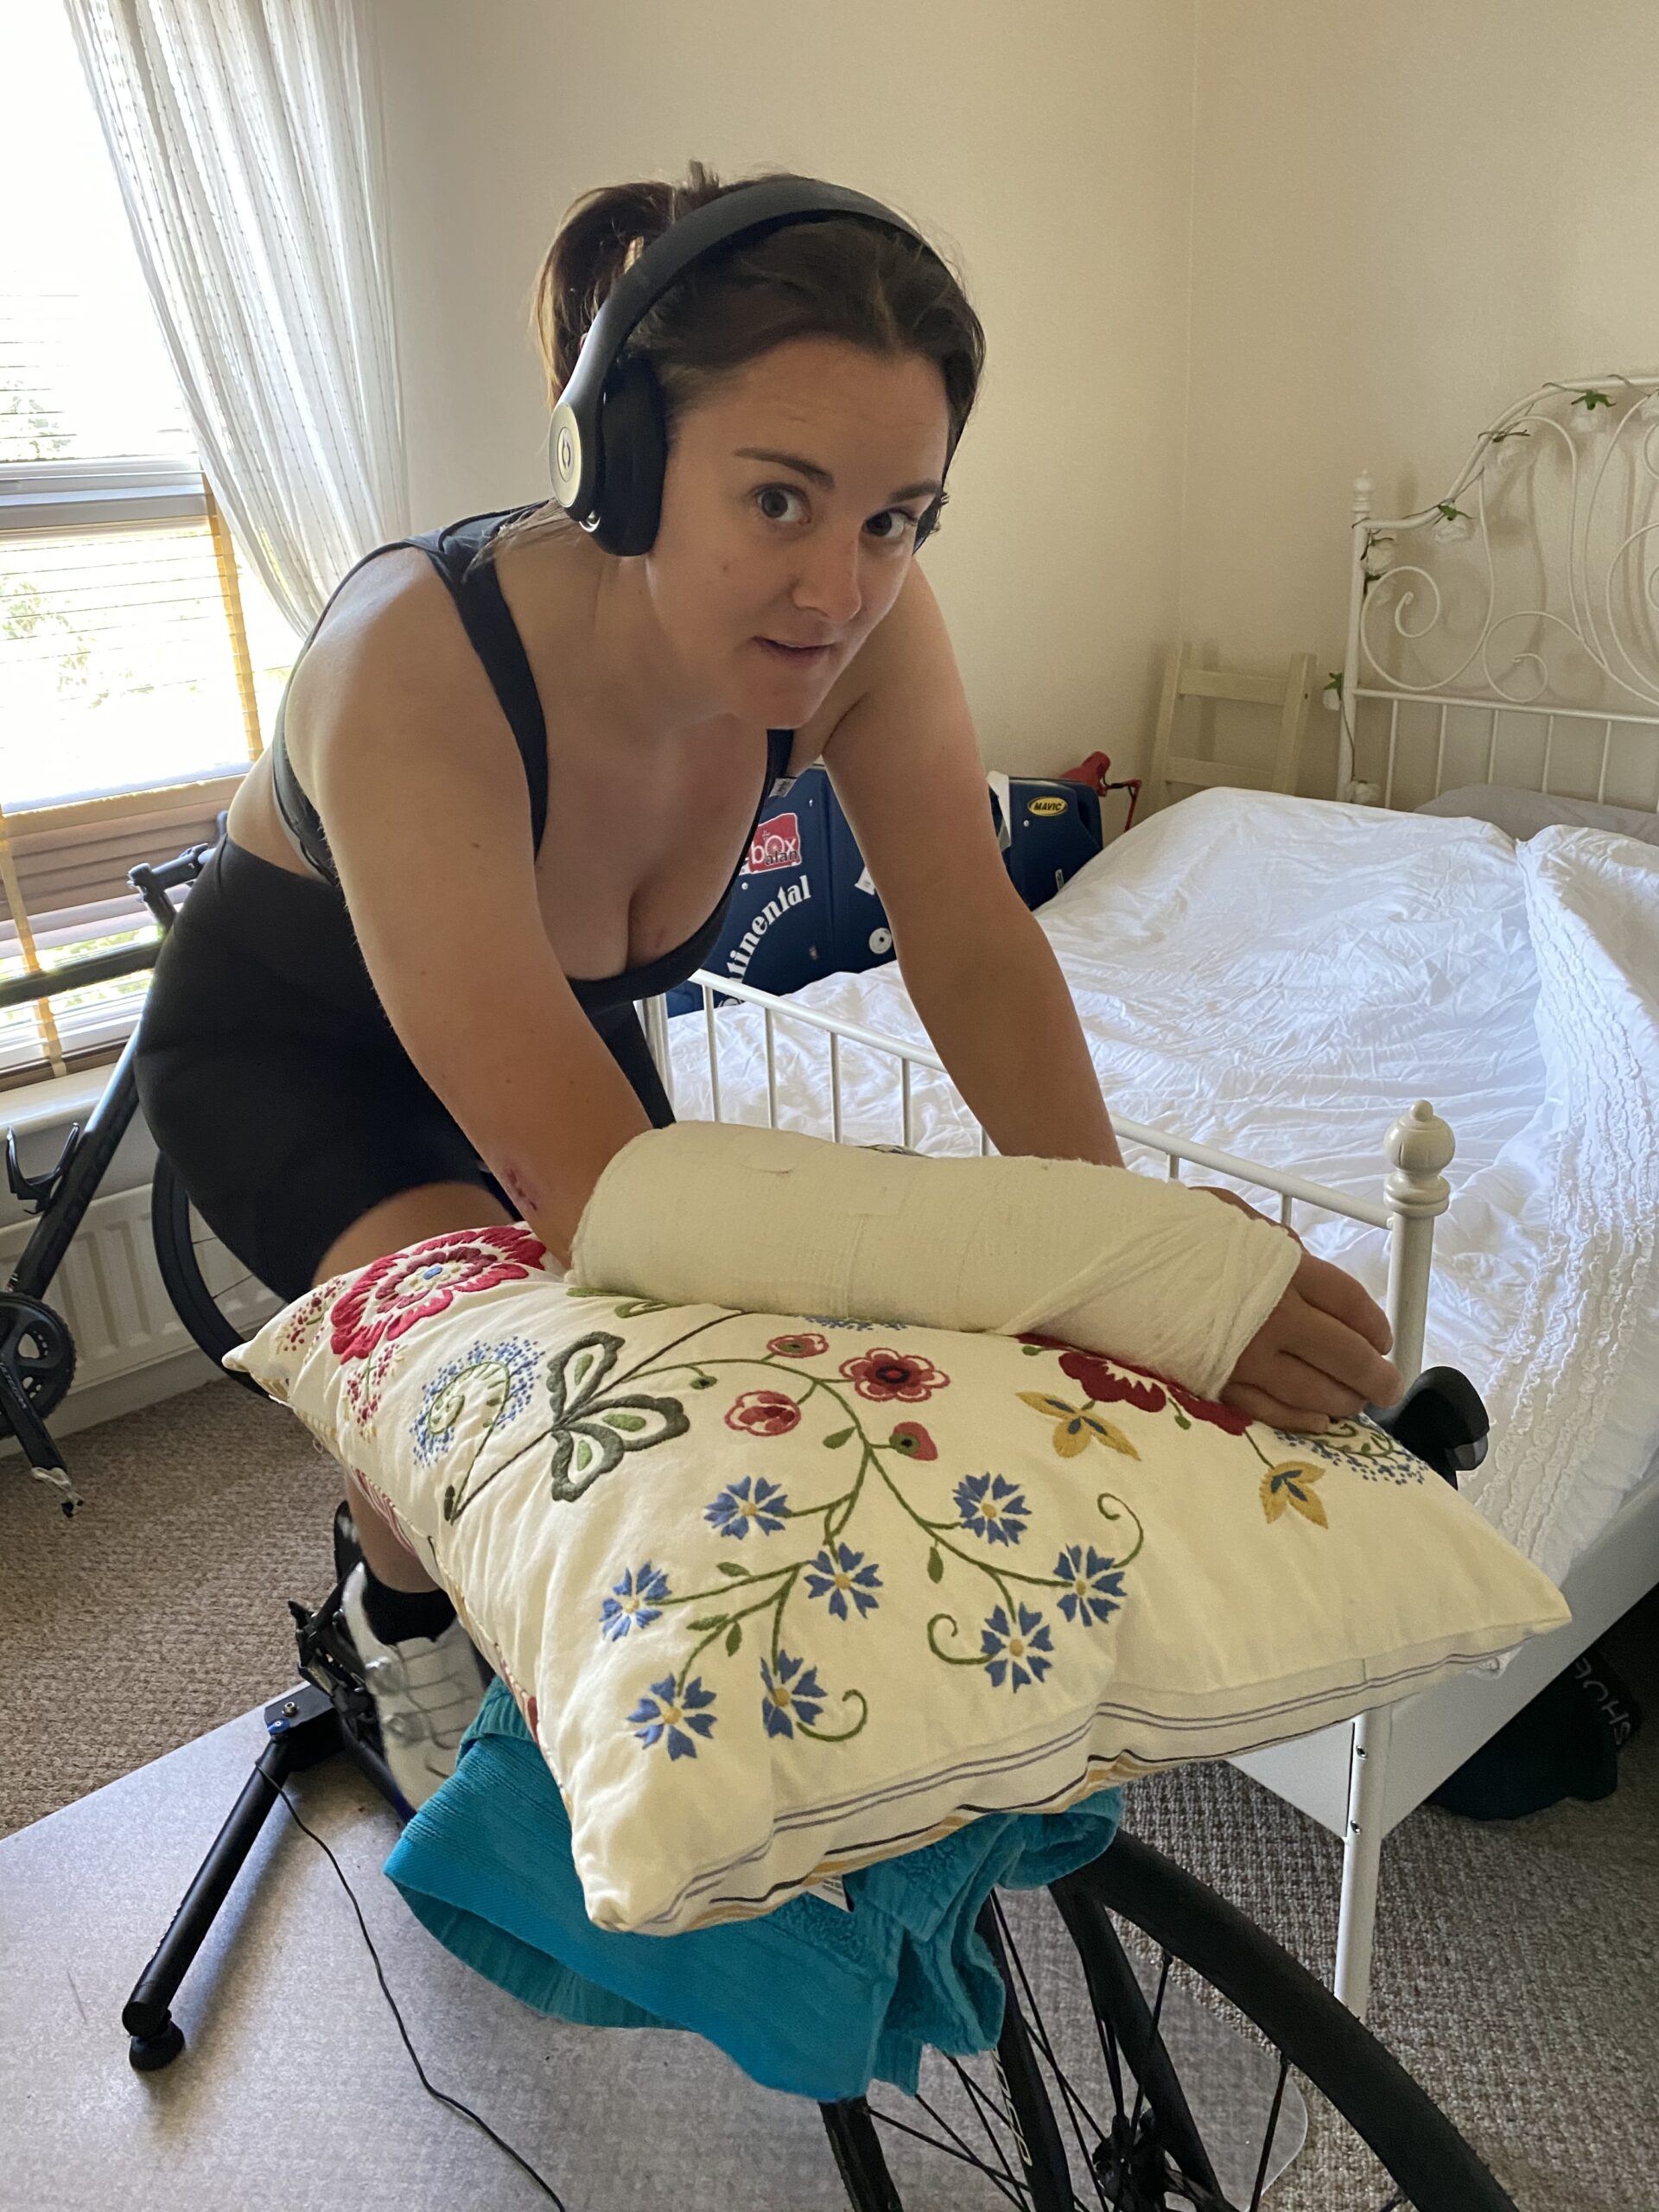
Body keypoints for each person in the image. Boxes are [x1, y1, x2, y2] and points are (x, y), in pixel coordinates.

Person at [135, 165, 1400, 1811]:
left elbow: (971, 944)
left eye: (897, 517)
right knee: (498, 1386)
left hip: (547, 1029)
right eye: (780, 502)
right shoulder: (413, 665)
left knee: (689, 1379)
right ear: (625, 469)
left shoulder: (868, 634)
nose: (841, 590)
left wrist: (1141, 1267)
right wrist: (1069, 1270)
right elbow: (608, 1203)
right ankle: (397, 1610)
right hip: (291, 1052)